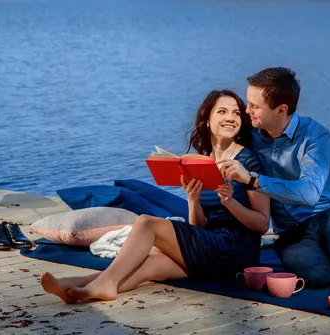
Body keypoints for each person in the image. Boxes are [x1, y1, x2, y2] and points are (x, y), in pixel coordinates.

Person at [40, 89, 271, 303]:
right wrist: (193, 200)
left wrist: (229, 202)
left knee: (146, 223)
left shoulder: (249, 162)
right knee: (148, 265)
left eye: (236, 113)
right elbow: (199, 226)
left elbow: (262, 224)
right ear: (206, 119)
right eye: (222, 111)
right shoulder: (203, 161)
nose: (230, 117)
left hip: (237, 252)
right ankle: (77, 288)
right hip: (210, 246)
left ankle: (105, 284)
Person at [218, 67, 330, 288]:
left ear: (281, 110)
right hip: (290, 230)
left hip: (328, 214)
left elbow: (309, 193)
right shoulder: (251, 136)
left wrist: (253, 180)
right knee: (317, 278)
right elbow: (219, 138)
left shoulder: (315, 135)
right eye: (248, 102)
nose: (246, 110)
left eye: (255, 106)